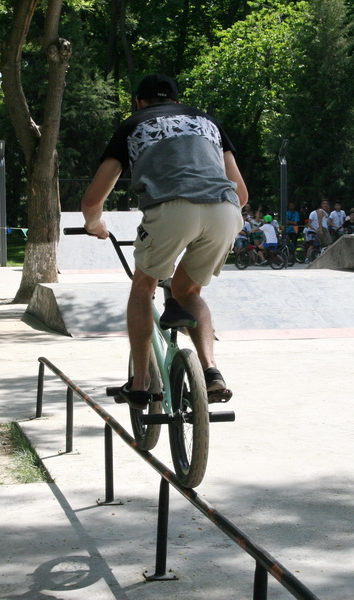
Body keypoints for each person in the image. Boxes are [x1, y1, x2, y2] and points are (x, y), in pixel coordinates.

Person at [80, 73, 246, 406]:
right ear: (175, 100)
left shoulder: (133, 124)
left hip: (171, 210)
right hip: (226, 211)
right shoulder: (207, 122)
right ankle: (211, 372)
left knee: (143, 286)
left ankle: (140, 384)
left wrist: (94, 224)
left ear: (139, 102)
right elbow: (241, 192)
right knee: (188, 290)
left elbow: (92, 200)